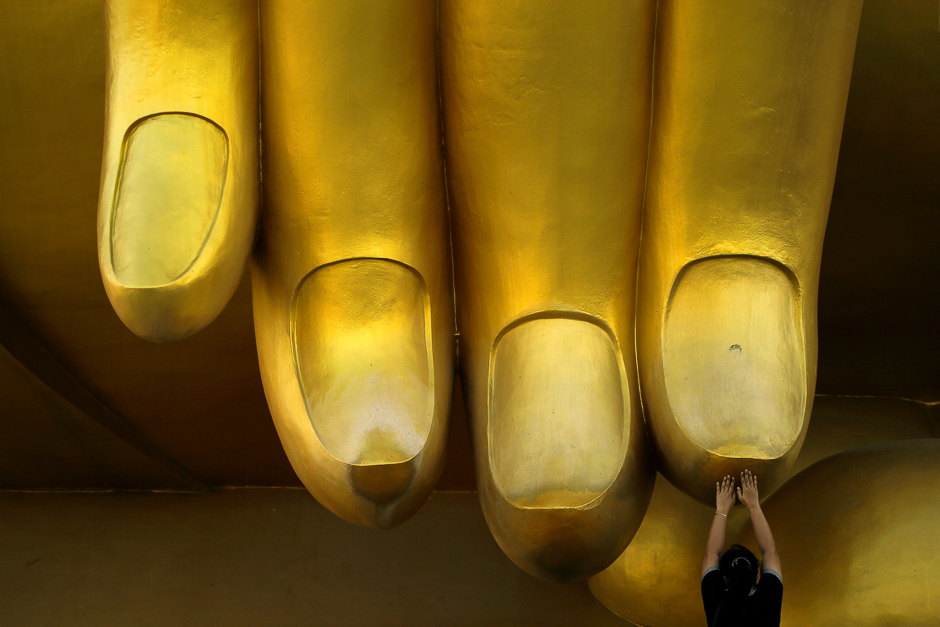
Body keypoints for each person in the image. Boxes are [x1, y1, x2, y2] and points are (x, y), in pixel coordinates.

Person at [702, 470, 783, 627]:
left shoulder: (718, 601)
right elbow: (769, 551)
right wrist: (753, 506)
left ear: (724, 577)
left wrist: (722, 510)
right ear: (756, 575)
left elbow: (711, 554)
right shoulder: (767, 599)